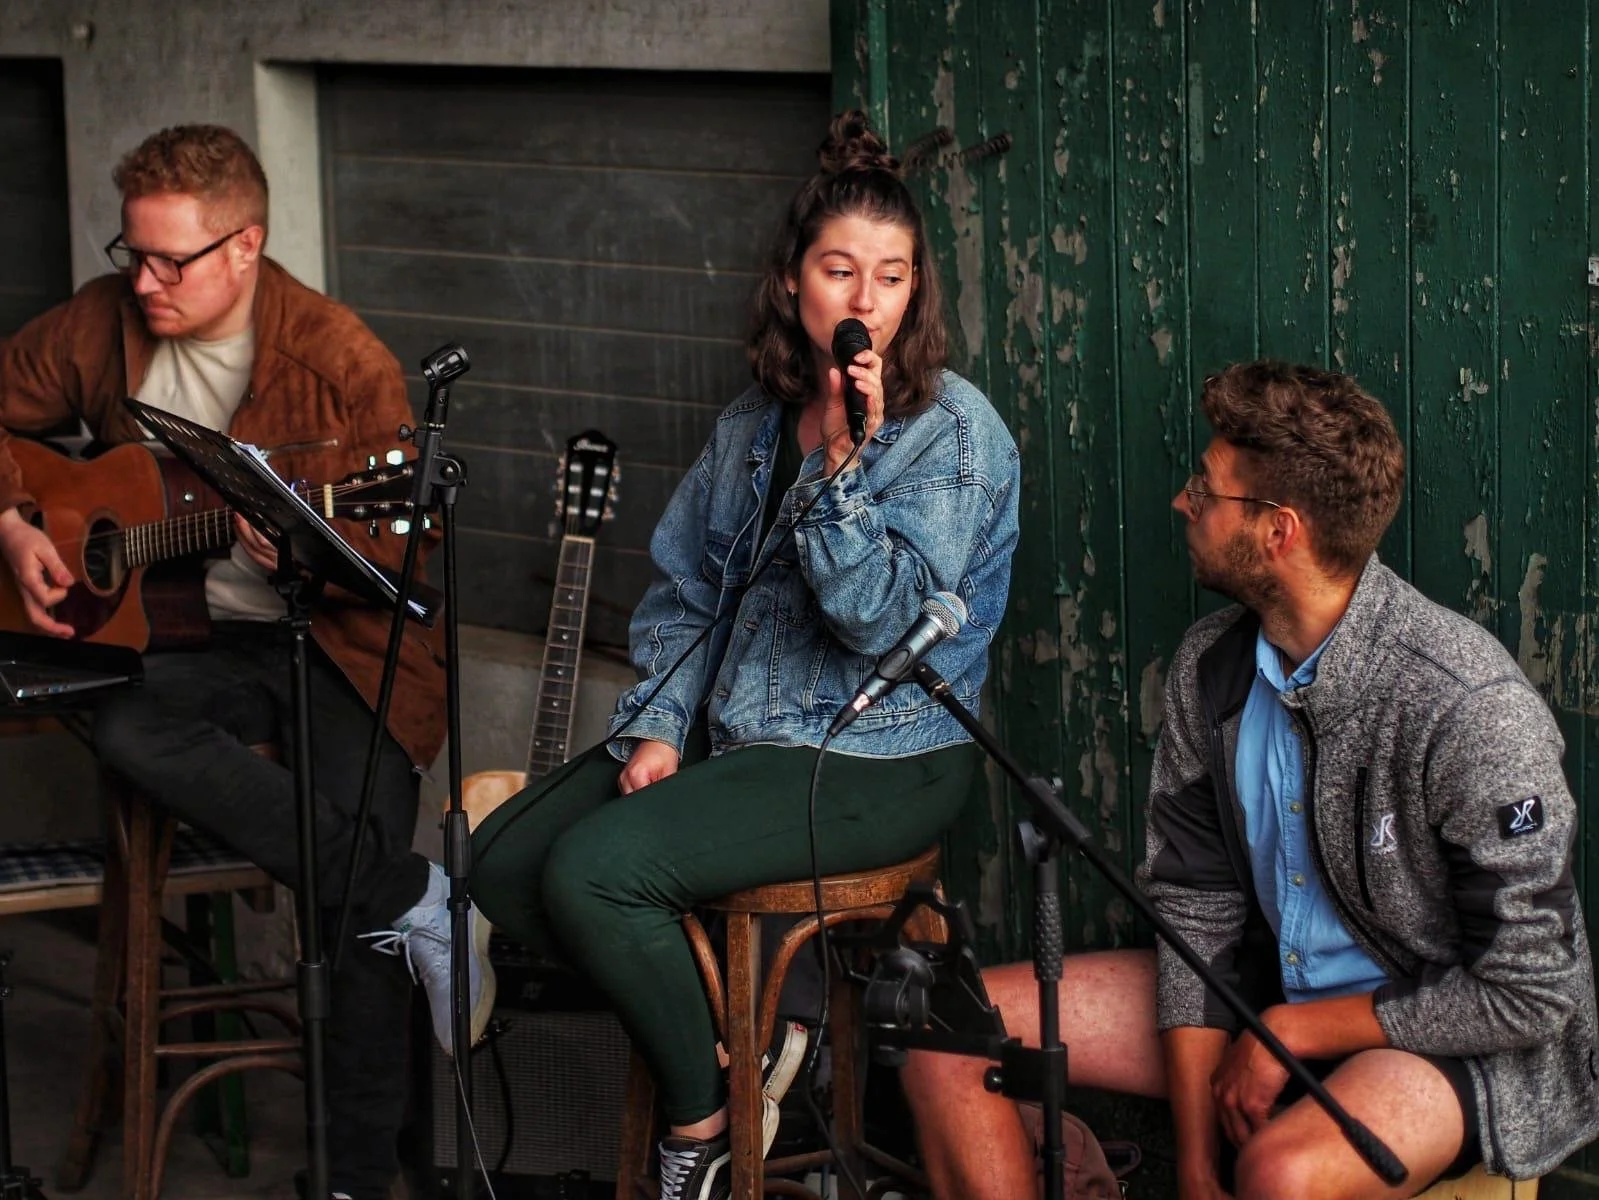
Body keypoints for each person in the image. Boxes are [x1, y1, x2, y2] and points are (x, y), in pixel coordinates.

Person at [467, 110, 1020, 1200]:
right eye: (840, 271)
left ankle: (703, 1120)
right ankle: (739, 1036)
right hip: (736, 733)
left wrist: (847, 470)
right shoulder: (751, 425)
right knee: (504, 863)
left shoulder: (957, 438)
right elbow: (680, 598)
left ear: (917, 294)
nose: (866, 304)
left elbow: (879, 625)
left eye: (894, 277)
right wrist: (660, 732)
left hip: (879, 752)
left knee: (597, 871)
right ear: (792, 283)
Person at [901, 361, 1599, 1200]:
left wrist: (1292, 1029)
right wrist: (1195, 1165)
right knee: (943, 1028)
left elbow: (1529, 991)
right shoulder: (1213, 667)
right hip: (1271, 989)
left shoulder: (1463, 705)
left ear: (1279, 530)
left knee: (1281, 1174)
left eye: (1205, 486)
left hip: (1443, 1036)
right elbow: (1195, 912)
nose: (1182, 501)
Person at [0, 124, 491, 1200]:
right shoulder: (101, 319)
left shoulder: (341, 363)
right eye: (133, 253)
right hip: (188, 640)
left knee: (350, 832)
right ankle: (415, 896)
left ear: (246, 246)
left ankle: (356, 1175)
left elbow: (407, 554)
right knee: (129, 730)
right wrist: (13, 520)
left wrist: (311, 546)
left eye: (172, 260)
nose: (147, 282)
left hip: (337, 646)